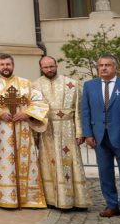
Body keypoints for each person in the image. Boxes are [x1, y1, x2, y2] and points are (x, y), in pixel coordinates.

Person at [80, 54, 120, 222]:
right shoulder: (89, 86)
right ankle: (111, 204)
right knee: (105, 173)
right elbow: (85, 112)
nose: (103, 68)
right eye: (101, 65)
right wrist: (88, 133)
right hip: (100, 138)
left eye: (107, 65)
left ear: (116, 68)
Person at [0, 54, 48, 208]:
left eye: (8, 64)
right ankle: (2, 198)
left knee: (24, 161)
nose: (5, 67)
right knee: (2, 162)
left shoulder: (25, 84)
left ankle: (26, 198)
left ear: (13, 65)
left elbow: (40, 102)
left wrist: (26, 113)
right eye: (2, 64)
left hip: (22, 128)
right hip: (0, 130)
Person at [34, 55, 91, 210]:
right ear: (41, 68)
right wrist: (35, 136)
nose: (49, 69)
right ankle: (52, 199)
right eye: (45, 67)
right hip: (47, 131)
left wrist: (80, 132)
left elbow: (79, 111)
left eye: (51, 66)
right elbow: (32, 113)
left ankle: (77, 200)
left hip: (68, 129)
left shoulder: (71, 84)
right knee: (49, 163)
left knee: (71, 162)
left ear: (56, 65)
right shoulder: (35, 86)